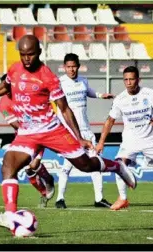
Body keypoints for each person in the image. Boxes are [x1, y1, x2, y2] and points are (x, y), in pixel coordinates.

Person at [0, 35, 136, 232]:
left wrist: (79, 137)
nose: (26, 58)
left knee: (86, 165)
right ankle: (11, 216)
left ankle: (116, 167)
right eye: (22, 55)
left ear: (38, 52)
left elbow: (64, 109)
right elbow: (5, 86)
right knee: (8, 166)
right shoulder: (14, 68)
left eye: (30, 54)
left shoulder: (48, 77)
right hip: (28, 132)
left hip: (52, 130)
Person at [54, 53, 114, 209]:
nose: (71, 69)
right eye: (68, 67)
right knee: (67, 166)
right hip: (70, 134)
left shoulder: (83, 81)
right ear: (64, 67)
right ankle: (60, 198)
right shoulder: (59, 83)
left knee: (96, 163)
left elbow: (89, 91)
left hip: (86, 131)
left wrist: (101, 95)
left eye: (74, 66)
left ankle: (99, 198)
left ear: (78, 66)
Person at [96, 66, 153, 210]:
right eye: (126, 79)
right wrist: (101, 143)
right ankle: (123, 198)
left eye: (132, 79)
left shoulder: (149, 94)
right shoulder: (120, 99)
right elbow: (110, 121)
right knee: (119, 164)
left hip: (149, 139)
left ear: (138, 80)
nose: (128, 82)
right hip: (130, 141)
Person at [0, 74, 54, 208]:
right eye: (4, 87)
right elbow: (14, 124)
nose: (7, 90)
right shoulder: (2, 104)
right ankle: (43, 192)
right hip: (23, 136)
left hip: (39, 133)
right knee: (28, 170)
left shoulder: (26, 96)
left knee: (33, 166)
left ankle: (49, 179)